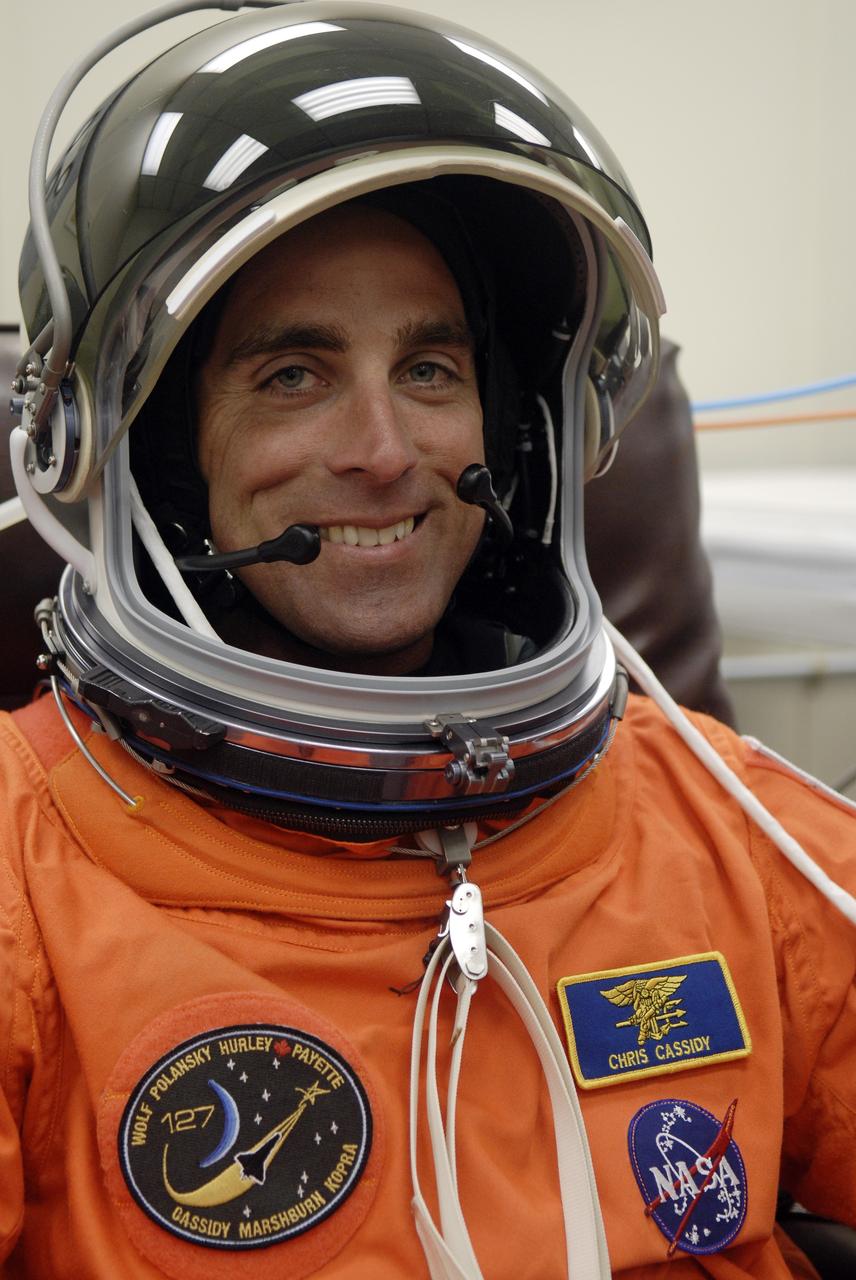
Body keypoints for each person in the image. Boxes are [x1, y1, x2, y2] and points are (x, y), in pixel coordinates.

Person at [2, 5, 854, 1278]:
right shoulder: (28, 877)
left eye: (430, 369)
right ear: (159, 454)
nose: (384, 451)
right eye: (292, 373)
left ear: (511, 437)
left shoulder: (726, 831)